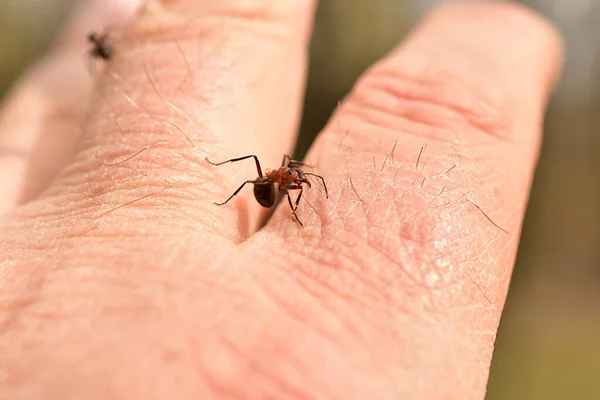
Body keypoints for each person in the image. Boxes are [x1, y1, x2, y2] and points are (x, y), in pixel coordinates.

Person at [0, 0, 563, 398]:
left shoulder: (292, 178)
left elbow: (295, 179)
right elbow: (267, 180)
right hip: (246, 182)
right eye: (290, 180)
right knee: (248, 178)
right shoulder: (269, 178)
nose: (291, 180)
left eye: (290, 181)